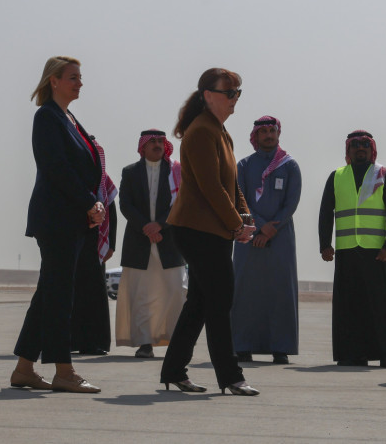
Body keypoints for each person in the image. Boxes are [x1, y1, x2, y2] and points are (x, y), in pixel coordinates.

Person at [159, 68, 259, 396]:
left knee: (201, 302)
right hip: (196, 229)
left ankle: (174, 371)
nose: (234, 98)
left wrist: (244, 216)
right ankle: (230, 375)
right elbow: (211, 187)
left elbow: (231, 183)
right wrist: (236, 224)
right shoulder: (202, 131)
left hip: (212, 229)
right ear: (208, 95)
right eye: (229, 92)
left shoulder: (219, 130)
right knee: (220, 299)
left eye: (238, 92)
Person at [12, 56, 105, 393]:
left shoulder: (69, 118)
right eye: (72, 77)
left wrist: (92, 203)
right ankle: (64, 371)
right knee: (60, 297)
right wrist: (89, 202)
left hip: (73, 220)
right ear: (54, 80)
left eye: (80, 77)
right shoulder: (47, 117)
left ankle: (24, 369)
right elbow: (56, 167)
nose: (79, 83)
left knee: (49, 293)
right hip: (57, 221)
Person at [318, 130, 386, 369]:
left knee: (380, 306)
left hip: (376, 252)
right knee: (348, 306)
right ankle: (350, 354)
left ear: (371, 148)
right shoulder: (336, 176)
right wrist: (324, 244)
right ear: (348, 150)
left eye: (365, 144)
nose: (360, 148)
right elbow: (326, 212)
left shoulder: (383, 175)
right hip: (346, 250)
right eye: (355, 145)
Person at [232, 116, 302, 364]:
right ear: (256, 136)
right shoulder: (243, 165)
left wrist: (272, 229)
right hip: (248, 234)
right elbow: (238, 200)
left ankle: (280, 348)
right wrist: (261, 226)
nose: (269, 135)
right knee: (245, 291)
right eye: (264, 132)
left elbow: (291, 202)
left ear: (278, 133)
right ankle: (243, 346)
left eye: (272, 131)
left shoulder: (289, 166)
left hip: (281, 237)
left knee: (280, 291)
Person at [115, 129, 187, 359]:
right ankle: (145, 343)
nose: (157, 145)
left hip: (170, 240)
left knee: (176, 291)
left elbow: (182, 202)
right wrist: (146, 227)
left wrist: (160, 225)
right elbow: (125, 204)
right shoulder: (130, 172)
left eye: (160, 141)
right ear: (143, 146)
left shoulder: (176, 171)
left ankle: (176, 341)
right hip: (139, 241)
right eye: (152, 141)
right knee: (142, 294)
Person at [70, 137, 118, 356]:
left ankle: (95, 342)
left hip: (95, 243)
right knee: (68, 292)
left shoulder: (103, 181)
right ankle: (69, 340)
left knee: (93, 294)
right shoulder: (69, 175)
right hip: (71, 239)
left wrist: (111, 245)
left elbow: (111, 212)